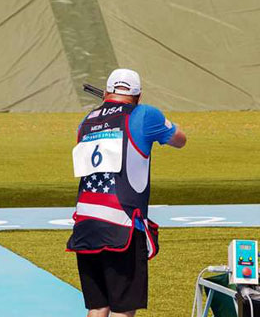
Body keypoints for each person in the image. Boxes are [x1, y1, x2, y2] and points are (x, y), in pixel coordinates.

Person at [67, 68, 187, 317]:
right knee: (123, 308)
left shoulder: (86, 121)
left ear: (108, 91)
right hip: (123, 224)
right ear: (138, 95)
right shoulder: (145, 114)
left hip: (86, 222)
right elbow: (180, 139)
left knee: (98, 306)